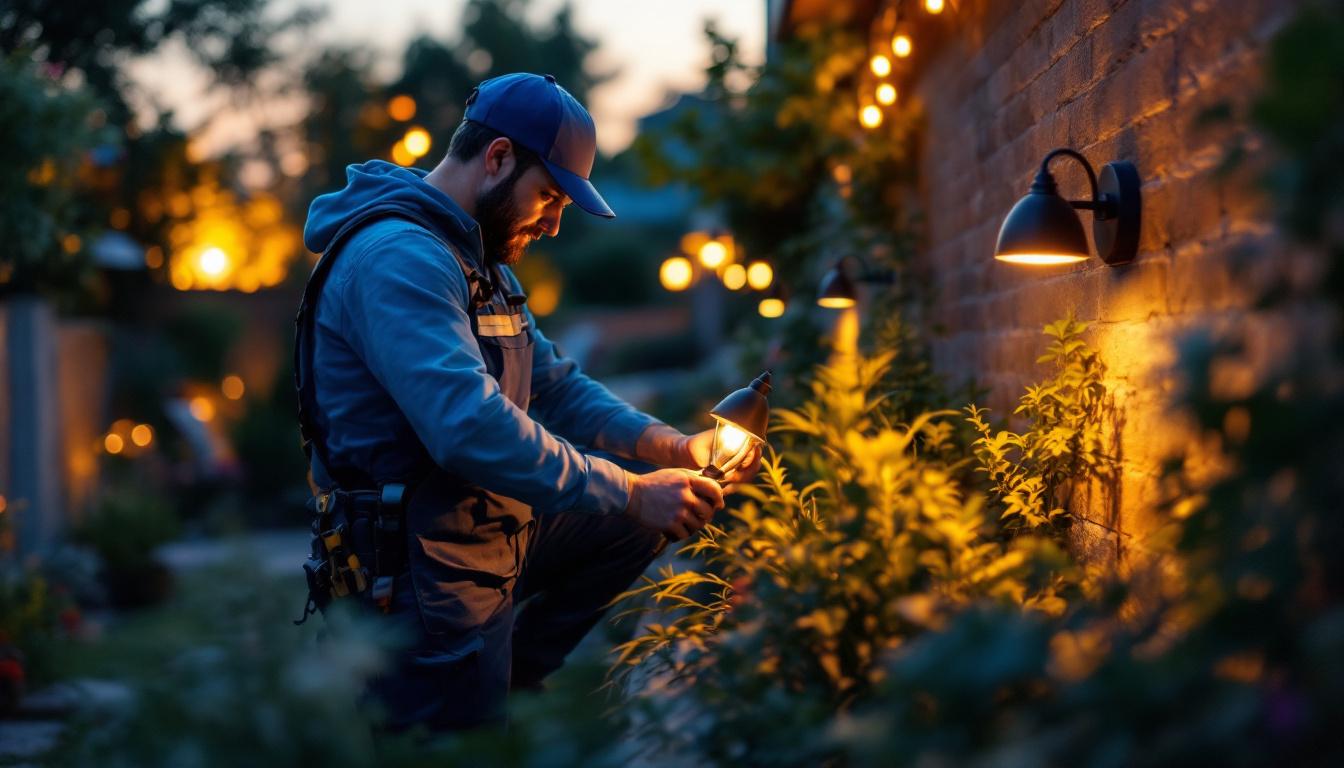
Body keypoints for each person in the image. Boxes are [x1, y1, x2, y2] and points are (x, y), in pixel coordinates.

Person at [294, 72, 761, 732]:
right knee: (461, 744)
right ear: (497, 158)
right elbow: (469, 429)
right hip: (421, 565)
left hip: (483, 526)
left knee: (654, 511)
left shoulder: (480, 262)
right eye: (549, 197)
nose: (554, 223)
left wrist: (672, 448)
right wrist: (628, 489)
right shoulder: (400, 259)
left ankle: (509, 683)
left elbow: (556, 386)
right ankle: (482, 697)